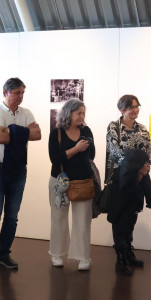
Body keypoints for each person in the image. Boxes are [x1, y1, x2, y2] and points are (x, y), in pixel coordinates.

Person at [0, 78, 41, 274]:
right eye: (17, 93)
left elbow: (38, 134)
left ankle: (4, 254)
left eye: (23, 93)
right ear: (6, 92)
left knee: (12, 216)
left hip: (18, 169)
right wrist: (22, 132)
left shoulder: (26, 113)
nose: (21, 96)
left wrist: (11, 130)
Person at [105, 94, 151, 275]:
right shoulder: (114, 127)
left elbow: (149, 152)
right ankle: (120, 259)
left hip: (140, 178)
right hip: (121, 179)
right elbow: (115, 153)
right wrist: (136, 168)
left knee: (132, 216)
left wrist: (144, 168)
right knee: (120, 218)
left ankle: (129, 254)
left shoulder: (142, 128)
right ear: (121, 109)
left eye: (137, 106)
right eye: (131, 107)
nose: (135, 110)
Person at [48, 99, 95, 271]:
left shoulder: (86, 130)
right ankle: (57, 254)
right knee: (58, 218)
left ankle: (83, 257)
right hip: (59, 181)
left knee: (82, 221)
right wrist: (76, 149)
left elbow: (92, 154)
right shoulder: (57, 133)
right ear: (69, 113)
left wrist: (71, 153)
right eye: (79, 113)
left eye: (83, 113)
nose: (82, 117)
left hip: (82, 181)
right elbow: (55, 158)